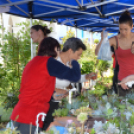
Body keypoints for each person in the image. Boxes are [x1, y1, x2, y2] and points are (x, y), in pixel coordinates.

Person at [10, 37, 81, 134]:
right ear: (55, 49)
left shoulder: (33, 62)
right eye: (59, 51)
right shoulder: (49, 62)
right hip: (31, 117)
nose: (59, 54)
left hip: (18, 114)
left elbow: (34, 88)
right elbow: (75, 76)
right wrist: (74, 60)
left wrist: (53, 93)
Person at [43, 37, 97, 130]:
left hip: (55, 102)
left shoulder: (69, 63)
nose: (79, 57)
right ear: (70, 51)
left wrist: (87, 76)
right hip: (43, 103)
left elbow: (74, 77)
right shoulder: (54, 59)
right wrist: (54, 90)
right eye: (78, 54)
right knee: (45, 127)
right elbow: (40, 82)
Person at [95, 10, 134, 96]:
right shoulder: (115, 40)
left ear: (132, 26)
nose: (123, 32)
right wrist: (102, 39)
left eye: (126, 29)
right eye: (121, 29)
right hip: (123, 81)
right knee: (123, 107)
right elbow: (97, 53)